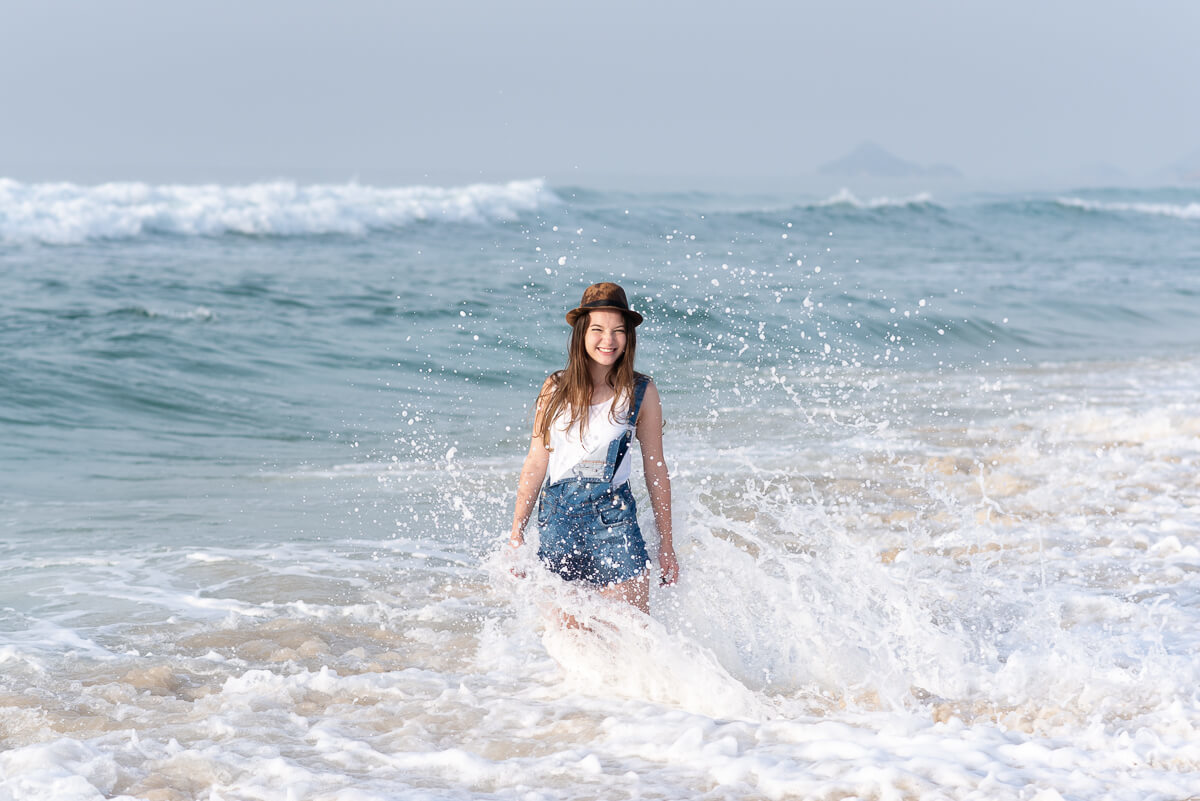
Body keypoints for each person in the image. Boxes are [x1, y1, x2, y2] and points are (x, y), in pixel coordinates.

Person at [508, 282, 679, 615]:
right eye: (598, 329)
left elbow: (655, 468)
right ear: (582, 333)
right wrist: (517, 533)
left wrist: (666, 544)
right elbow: (536, 461)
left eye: (618, 331)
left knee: (630, 637)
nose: (608, 340)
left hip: (615, 524)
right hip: (558, 524)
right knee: (571, 641)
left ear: (628, 337)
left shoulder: (641, 392)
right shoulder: (554, 388)